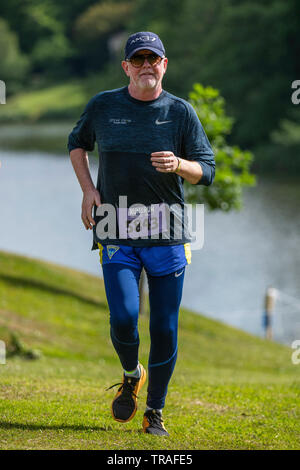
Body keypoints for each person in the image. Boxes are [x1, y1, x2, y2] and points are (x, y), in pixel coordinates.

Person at [68, 31, 215, 436]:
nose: (147, 65)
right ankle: (132, 373)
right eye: (139, 59)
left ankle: (155, 412)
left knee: (165, 328)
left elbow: (208, 170)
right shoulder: (103, 105)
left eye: (154, 59)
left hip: (168, 233)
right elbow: (76, 143)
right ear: (126, 67)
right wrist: (88, 190)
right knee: (124, 318)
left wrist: (179, 164)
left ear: (165, 65)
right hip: (115, 226)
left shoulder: (181, 112)